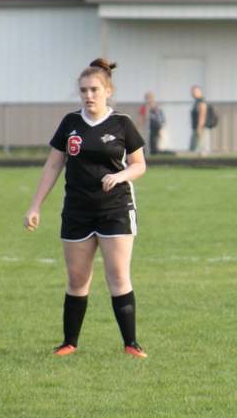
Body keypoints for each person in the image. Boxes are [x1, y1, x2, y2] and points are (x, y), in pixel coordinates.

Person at [23, 58, 148, 358]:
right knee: (77, 280)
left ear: (108, 91)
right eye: (83, 90)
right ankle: (69, 343)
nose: (88, 95)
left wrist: (120, 176)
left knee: (118, 277)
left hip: (115, 209)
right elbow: (53, 165)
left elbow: (139, 165)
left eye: (94, 90)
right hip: (77, 211)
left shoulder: (122, 123)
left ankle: (131, 344)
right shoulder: (70, 123)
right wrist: (35, 206)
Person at [189, 85, 209, 156]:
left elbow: (202, 115)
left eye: (194, 92)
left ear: (199, 92)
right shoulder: (196, 102)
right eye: (192, 92)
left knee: (202, 148)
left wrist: (199, 128)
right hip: (196, 128)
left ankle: (203, 161)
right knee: (194, 147)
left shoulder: (201, 101)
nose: (192, 93)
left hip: (200, 128)